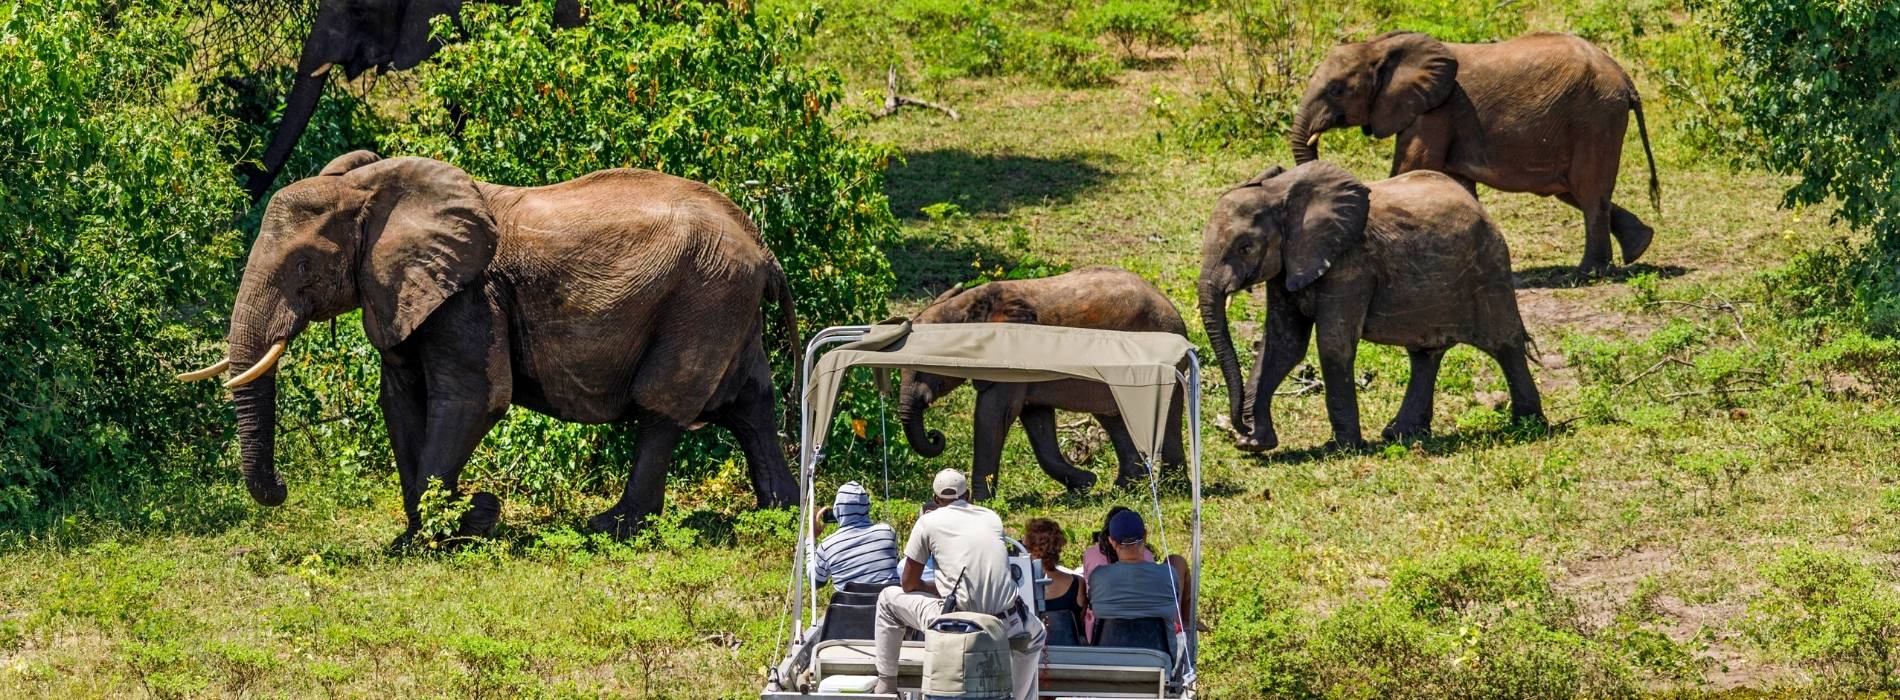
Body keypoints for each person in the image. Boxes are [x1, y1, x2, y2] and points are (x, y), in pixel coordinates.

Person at [874, 469, 1047, 699]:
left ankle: (886, 686)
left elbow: (908, 584)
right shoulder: (991, 517)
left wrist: (933, 587)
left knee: (887, 598)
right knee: (1037, 635)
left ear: (935, 500)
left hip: (955, 621)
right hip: (1007, 622)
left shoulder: (928, 521)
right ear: (968, 497)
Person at [1085, 509, 1193, 647]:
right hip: (1158, 660)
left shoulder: (1098, 577)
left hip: (1108, 659)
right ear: (1145, 535)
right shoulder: (1168, 575)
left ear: (1111, 541)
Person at [1081, 505, 1151, 641]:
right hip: (1148, 641)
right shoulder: (1165, 575)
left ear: (1111, 539)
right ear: (1144, 535)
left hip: (1101, 639)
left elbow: (1090, 597)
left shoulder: (1093, 561)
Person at [814, 481, 899, 589]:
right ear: (867, 506)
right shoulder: (887, 532)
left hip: (848, 605)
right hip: (889, 604)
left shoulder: (827, 546)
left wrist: (810, 540)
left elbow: (816, 582)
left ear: (837, 510)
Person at [1024, 518, 1084, 646]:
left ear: (1029, 547)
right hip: (1071, 656)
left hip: (1032, 658)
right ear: (1058, 547)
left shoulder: (1019, 586)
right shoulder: (1078, 584)